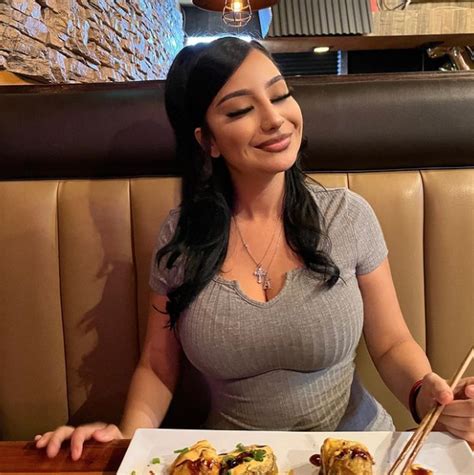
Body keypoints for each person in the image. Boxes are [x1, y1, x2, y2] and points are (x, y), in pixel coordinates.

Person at [35, 37, 474, 460]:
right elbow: (157, 365)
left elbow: (392, 344)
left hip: (352, 454)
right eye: (242, 109)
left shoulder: (347, 217)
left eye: (280, 95)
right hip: (235, 460)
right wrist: (127, 437)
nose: (274, 119)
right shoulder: (182, 239)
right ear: (207, 141)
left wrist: (428, 399)